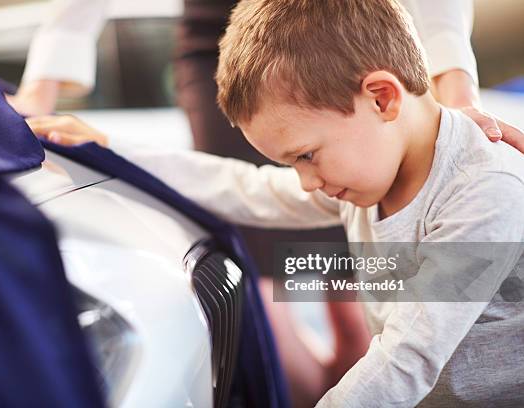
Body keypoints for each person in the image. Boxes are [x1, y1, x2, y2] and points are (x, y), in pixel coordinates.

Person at [26, 0, 524, 406]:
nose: (306, 184)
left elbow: (407, 358)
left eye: (307, 155)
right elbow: (248, 189)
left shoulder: (483, 187)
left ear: (381, 98)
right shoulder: (372, 172)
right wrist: (116, 151)